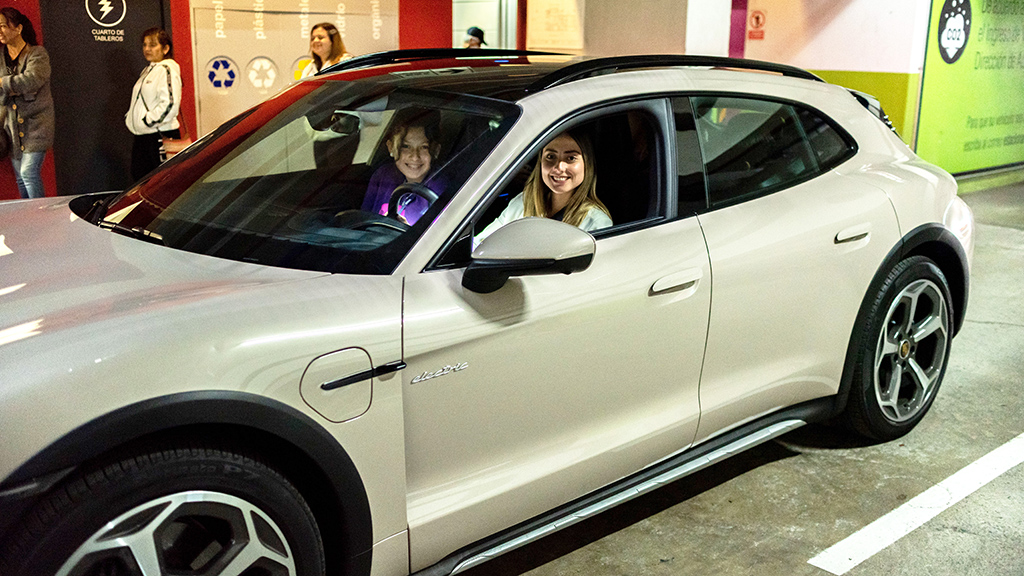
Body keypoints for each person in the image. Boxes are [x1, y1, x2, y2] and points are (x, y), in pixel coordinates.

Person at [477, 129, 611, 243]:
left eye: (570, 158)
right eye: (551, 156)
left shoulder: (596, 223)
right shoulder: (523, 202)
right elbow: (481, 243)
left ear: (587, 165)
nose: (559, 167)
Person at [0, 8, 53, 199]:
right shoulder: (1, 56)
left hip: (36, 127)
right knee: (20, 179)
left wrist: (3, 83)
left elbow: (31, 80)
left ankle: (40, 217)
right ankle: (29, 216)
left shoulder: (37, 54)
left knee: (28, 173)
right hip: (11, 129)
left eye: (3, 26)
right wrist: (13, 86)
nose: (0, 31)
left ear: (18, 28)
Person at [360, 112, 445, 226]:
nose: (415, 156)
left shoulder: (441, 190)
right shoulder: (383, 175)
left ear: (436, 151)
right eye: (406, 146)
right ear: (391, 147)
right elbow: (363, 219)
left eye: (424, 147)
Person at [125, 27, 182, 181]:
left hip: (159, 136)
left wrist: (147, 120)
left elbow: (170, 104)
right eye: (144, 45)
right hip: (143, 136)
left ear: (165, 48)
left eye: (152, 45)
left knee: (162, 183)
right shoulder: (148, 70)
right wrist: (132, 119)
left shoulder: (167, 69)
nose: (147, 49)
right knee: (140, 181)